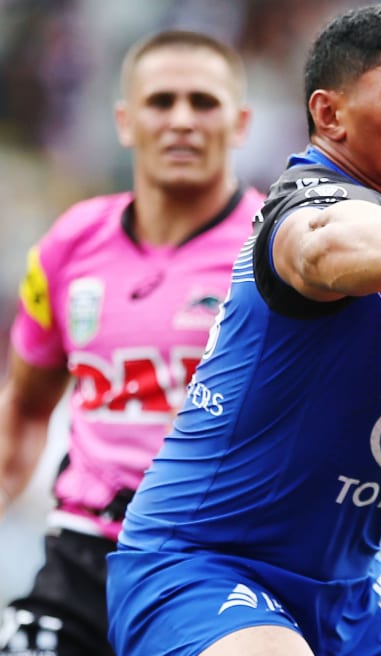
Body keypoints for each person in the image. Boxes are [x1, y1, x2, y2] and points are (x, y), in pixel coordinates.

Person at [104, 6, 381, 656]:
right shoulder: (306, 205)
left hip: (346, 589)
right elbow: (321, 246)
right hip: (200, 566)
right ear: (330, 115)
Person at [0, 30, 262, 656]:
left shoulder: (275, 255)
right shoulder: (70, 244)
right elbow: (29, 406)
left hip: (216, 561)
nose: (181, 121)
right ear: (124, 120)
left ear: (240, 122)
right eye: (160, 101)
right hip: (82, 554)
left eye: (203, 102)